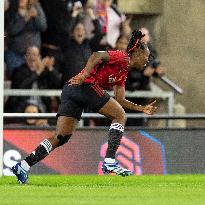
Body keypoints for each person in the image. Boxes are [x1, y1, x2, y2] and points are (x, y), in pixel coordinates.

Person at [12, 30, 157, 184]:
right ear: (138, 53)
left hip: (72, 90)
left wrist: (141, 109)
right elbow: (97, 55)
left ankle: (23, 166)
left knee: (61, 137)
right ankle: (109, 161)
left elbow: (120, 100)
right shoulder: (122, 57)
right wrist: (84, 74)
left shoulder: (123, 73)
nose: (147, 61)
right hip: (84, 85)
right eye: (146, 57)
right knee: (120, 116)